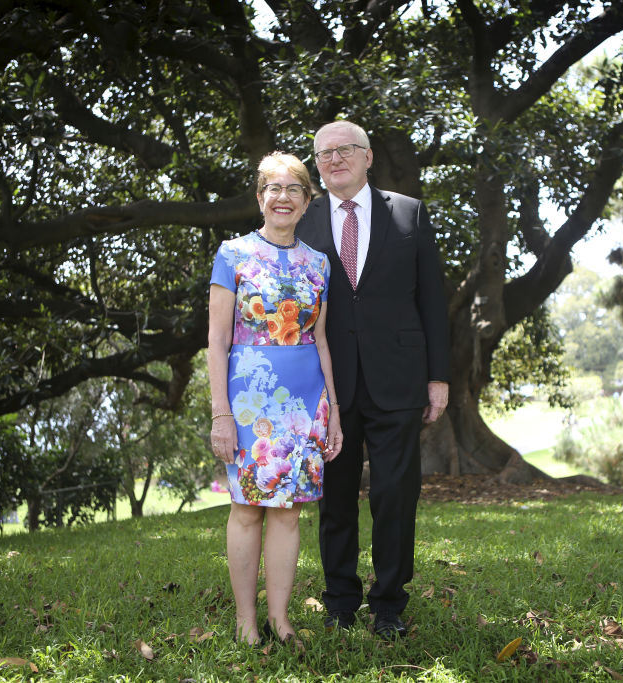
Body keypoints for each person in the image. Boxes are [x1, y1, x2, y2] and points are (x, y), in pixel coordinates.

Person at [295, 121, 450, 639]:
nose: (334, 159)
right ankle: (340, 602)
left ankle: (389, 606)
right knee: (335, 499)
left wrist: (438, 378)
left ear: (368, 158)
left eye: (345, 150)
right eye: (324, 153)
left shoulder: (408, 212)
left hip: (398, 379)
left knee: (394, 497)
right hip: (330, 386)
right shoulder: (303, 220)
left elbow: (431, 299)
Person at [208, 152, 344, 648]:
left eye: (294, 190)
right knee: (247, 508)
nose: (282, 197)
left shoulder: (320, 264)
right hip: (249, 400)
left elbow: (322, 340)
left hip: (307, 402)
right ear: (259, 197)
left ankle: (282, 620)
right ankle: (246, 621)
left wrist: (333, 414)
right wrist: (221, 414)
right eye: (273, 188)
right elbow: (217, 341)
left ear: (308, 201)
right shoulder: (232, 255)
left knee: (289, 511)